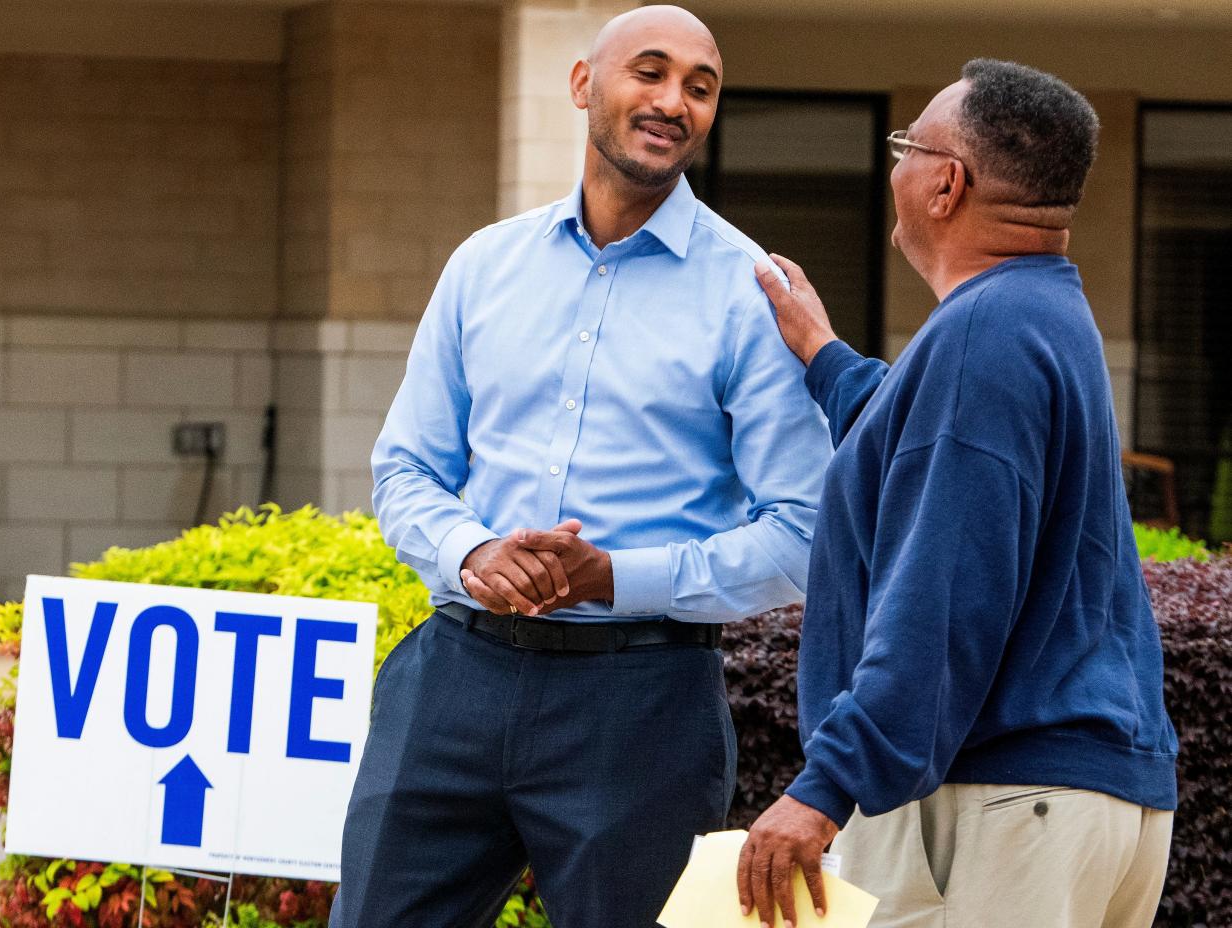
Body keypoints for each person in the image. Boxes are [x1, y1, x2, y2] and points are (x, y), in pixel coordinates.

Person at [332, 7, 833, 928]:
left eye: (700, 86)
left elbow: (804, 533)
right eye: (649, 72)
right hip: (453, 680)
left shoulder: (750, 291)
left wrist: (618, 578)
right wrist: (472, 552)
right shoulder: (483, 266)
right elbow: (405, 467)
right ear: (581, 86)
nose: (674, 101)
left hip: (638, 706)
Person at [737, 59, 1177, 928]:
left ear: (946, 184)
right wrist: (827, 358)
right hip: (1084, 804)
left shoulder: (984, 336)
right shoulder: (1041, 314)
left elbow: (943, 601)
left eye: (907, 147)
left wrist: (822, 792)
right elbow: (933, 447)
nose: (893, 164)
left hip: (1006, 804)